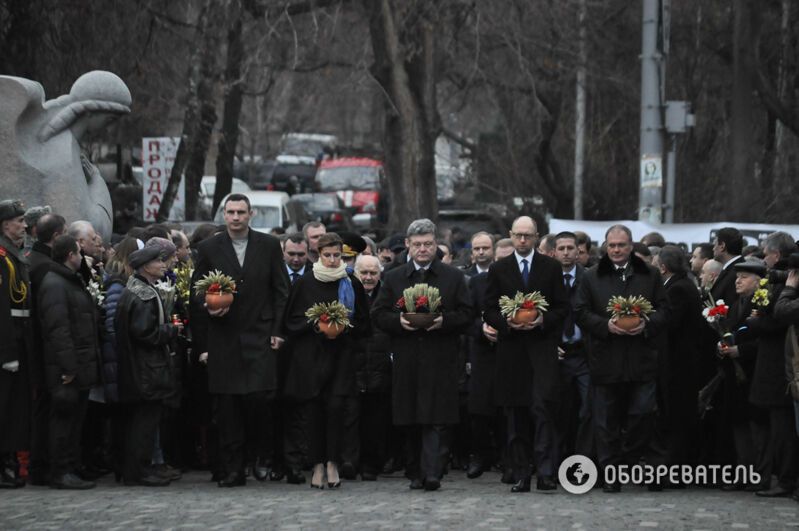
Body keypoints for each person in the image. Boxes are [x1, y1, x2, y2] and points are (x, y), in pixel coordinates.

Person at [191, 193, 290, 487]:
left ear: (251, 215)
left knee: (260, 399)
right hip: (225, 336)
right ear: (224, 215)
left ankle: (261, 456)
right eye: (230, 212)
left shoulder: (269, 245)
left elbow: (281, 290)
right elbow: (196, 292)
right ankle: (233, 468)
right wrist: (208, 308)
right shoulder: (209, 248)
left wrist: (277, 330)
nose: (235, 217)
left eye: (241, 212)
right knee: (228, 407)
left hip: (260, 335)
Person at [371, 218, 473, 491]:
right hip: (406, 358)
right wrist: (399, 322)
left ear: (435, 245)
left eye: (428, 244)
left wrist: (444, 321)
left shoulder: (452, 277)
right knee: (410, 418)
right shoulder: (393, 277)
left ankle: (433, 472)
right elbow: (378, 314)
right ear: (407, 245)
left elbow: (467, 314)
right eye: (417, 245)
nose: (423, 249)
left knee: (438, 419)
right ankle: (415, 471)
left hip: (441, 356)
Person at [575, 224, 670, 492]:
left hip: (641, 359)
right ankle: (610, 475)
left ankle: (629, 457)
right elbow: (580, 312)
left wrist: (647, 324)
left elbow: (665, 309)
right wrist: (605, 326)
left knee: (642, 413)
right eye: (612, 245)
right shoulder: (591, 276)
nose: (617, 250)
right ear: (605, 246)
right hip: (606, 359)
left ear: (631, 246)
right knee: (605, 422)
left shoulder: (649, 274)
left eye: (622, 245)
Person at [484, 216, 569, 493]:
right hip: (511, 352)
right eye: (518, 235)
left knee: (543, 410)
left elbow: (562, 307)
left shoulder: (551, 267)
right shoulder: (499, 268)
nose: (522, 240)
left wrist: (542, 320)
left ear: (536, 236)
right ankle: (521, 472)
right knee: (516, 414)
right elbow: (489, 309)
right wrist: (506, 322)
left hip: (541, 349)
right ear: (510, 234)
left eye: (527, 235)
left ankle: (545, 472)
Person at [283, 233, 370, 488]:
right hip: (310, 357)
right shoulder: (305, 283)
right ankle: (316, 465)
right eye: (327, 255)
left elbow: (364, 322)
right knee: (312, 413)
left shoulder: (350, 282)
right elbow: (291, 321)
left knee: (335, 410)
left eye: (337, 256)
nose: (333, 261)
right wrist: (316, 325)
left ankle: (333, 462)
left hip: (341, 356)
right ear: (317, 255)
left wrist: (344, 326)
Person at [37, 235, 101, 489]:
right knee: (63, 422)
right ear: (70, 255)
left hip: (80, 362)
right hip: (67, 368)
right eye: (78, 252)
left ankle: (71, 466)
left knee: (75, 422)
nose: (82, 257)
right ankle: (60, 470)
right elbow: (58, 329)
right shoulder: (55, 284)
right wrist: (69, 367)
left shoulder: (69, 281)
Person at [114, 245, 182, 486]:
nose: (164, 264)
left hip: (138, 368)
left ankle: (135, 469)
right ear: (145, 266)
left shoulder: (137, 288)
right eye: (158, 261)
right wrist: (171, 330)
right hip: (146, 370)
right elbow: (145, 333)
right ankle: (139, 470)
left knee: (139, 422)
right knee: (143, 424)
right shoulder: (143, 295)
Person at [655, 245, 705, 473]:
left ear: (663, 267)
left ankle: (676, 467)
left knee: (677, 416)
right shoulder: (683, 284)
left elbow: (670, 323)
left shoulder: (678, 289)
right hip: (681, 361)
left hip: (679, 363)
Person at [25, 213, 66, 485]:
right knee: (49, 410)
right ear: (55, 236)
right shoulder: (44, 267)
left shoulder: (37, 262)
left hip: (42, 348)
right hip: (45, 349)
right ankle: (46, 466)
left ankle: (43, 466)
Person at [0, 199, 33, 488]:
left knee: (14, 409)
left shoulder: (14, 254)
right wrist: (7, 351)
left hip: (19, 339)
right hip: (6, 343)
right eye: (19, 220)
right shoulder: (1, 256)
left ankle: (9, 461)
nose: (24, 225)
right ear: (4, 224)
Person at [552, 231, 593, 460]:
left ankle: (583, 461)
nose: (566, 253)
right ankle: (558, 461)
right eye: (561, 248)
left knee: (588, 410)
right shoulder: (547, 278)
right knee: (559, 411)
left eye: (570, 248)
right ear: (553, 252)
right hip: (557, 354)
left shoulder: (589, 278)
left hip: (584, 353)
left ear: (578, 251)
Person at [353, 255, 392, 481]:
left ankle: (372, 464)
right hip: (354, 365)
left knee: (377, 420)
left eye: (373, 273)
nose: (368, 277)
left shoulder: (386, 294)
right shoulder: (348, 293)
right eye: (364, 273)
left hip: (380, 366)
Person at [279, 233, 311, 483]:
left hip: (305, 351)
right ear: (283, 252)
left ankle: (297, 461)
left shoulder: (313, 277)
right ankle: (279, 461)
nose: (297, 259)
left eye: (301, 254)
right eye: (292, 254)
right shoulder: (276, 274)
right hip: (277, 350)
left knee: (301, 410)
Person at [711, 228, 745, 311]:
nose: (713, 249)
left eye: (715, 245)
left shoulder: (738, 272)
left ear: (722, 246)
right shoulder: (731, 269)